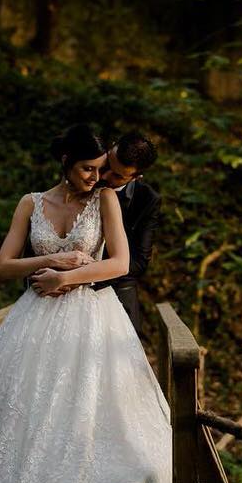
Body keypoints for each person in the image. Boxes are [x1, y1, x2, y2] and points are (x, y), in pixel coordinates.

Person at [0, 124, 172, 483]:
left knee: (85, 410)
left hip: (90, 315)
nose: (97, 176)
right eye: (89, 168)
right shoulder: (30, 202)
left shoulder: (105, 200)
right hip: (33, 320)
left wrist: (67, 279)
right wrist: (51, 260)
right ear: (66, 161)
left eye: (100, 169)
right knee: (26, 411)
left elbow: (121, 263)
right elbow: (4, 266)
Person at [94, 133, 161, 336]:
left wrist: (87, 275)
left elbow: (139, 261)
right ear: (111, 147)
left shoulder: (147, 199)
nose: (104, 177)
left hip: (117, 296)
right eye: (107, 166)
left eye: (117, 176)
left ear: (136, 177)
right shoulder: (84, 175)